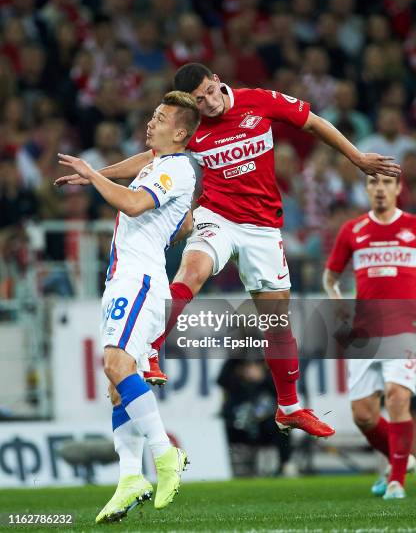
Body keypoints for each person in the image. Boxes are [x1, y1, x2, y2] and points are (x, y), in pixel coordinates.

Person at [56, 63, 400, 439]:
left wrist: (356, 157)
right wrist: (96, 174)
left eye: (208, 92)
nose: (207, 103)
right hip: (216, 217)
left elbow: (314, 122)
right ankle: (148, 350)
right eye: (198, 99)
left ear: (218, 82)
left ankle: (288, 408)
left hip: (263, 227)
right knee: (192, 271)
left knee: (276, 320)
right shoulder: (194, 127)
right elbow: (151, 157)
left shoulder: (260, 101)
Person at [56, 91, 199, 522]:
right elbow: (142, 165)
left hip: (139, 282)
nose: (149, 123)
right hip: (126, 278)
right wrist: (95, 173)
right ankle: (129, 478)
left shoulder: (177, 167)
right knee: (118, 386)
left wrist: (91, 175)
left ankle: (165, 454)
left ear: (180, 132)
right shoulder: (161, 162)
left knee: (115, 362)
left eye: (159, 118)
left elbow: (134, 203)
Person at [323, 173, 416, 499]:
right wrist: (338, 307)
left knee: (398, 396)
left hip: (406, 330)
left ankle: (396, 483)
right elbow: (330, 277)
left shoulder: (413, 228)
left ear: (398, 188)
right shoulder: (353, 230)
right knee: (363, 416)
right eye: (373, 182)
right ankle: (401, 459)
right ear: (366, 189)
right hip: (365, 334)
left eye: (387, 183)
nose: (380, 189)